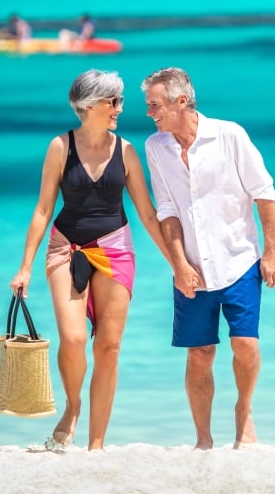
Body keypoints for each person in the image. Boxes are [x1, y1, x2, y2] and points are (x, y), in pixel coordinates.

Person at [10, 69, 170, 452]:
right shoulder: (60, 147)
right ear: (90, 105)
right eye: (113, 101)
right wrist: (25, 266)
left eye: (120, 100)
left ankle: (96, 445)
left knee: (109, 348)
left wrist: (177, 265)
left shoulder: (126, 151)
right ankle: (73, 407)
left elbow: (147, 213)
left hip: (115, 249)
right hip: (66, 248)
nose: (119, 108)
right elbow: (43, 209)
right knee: (74, 337)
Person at [140, 67, 275, 450]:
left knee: (245, 345)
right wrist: (179, 266)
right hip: (192, 268)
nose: (149, 113)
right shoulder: (156, 147)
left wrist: (271, 251)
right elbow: (167, 210)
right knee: (199, 354)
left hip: (239, 261)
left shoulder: (229, 135)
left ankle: (244, 412)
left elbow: (264, 192)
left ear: (180, 101)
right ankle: (203, 439)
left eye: (154, 105)